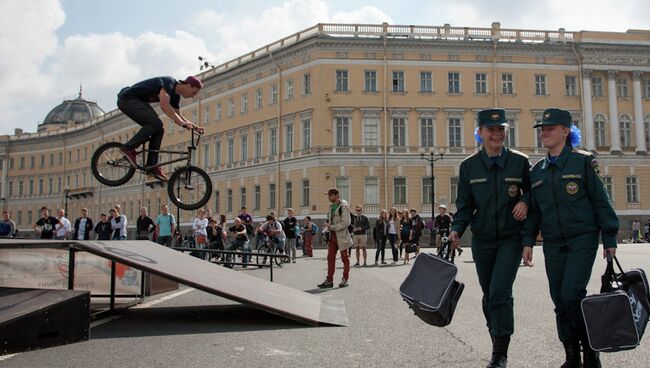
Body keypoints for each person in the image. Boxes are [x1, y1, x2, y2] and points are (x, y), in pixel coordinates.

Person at [521, 108, 619, 368]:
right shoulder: (537, 171)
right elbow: (534, 211)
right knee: (558, 299)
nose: (544, 132)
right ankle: (571, 355)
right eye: (542, 129)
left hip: (582, 239)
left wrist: (609, 238)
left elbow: (601, 200)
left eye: (550, 128)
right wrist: (528, 241)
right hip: (553, 242)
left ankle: (591, 351)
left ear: (566, 131)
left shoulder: (584, 162)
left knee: (571, 295)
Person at [449, 108, 531, 368]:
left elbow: (534, 191)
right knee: (488, 295)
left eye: (501, 129)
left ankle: (500, 353)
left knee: (499, 292)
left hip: (511, 238)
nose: (496, 134)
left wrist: (526, 201)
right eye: (491, 130)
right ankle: (496, 334)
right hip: (482, 240)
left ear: (506, 132)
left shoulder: (520, 162)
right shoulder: (469, 166)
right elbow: (464, 206)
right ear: (480, 133)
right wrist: (456, 229)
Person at [117, 76, 205, 181]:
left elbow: (178, 114)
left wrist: (195, 127)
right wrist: (180, 123)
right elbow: (164, 105)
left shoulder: (175, 96)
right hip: (127, 100)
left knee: (159, 129)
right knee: (156, 124)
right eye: (194, 92)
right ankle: (128, 148)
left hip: (137, 102)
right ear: (188, 85)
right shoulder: (169, 83)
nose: (193, 96)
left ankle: (152, 166)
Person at [318, 188, 353, 289]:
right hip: (332, 236)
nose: (328, 197)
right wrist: (327, 227)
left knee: (344, 258)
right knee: (330, 258)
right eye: (328, 195)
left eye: (330, 195)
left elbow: (347, 222)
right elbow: (331, 220)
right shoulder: (331, 206)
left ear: (336, 195)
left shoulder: (344, 207)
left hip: (342, 236)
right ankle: (329, 280)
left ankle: (344, 279)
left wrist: (332, 226)